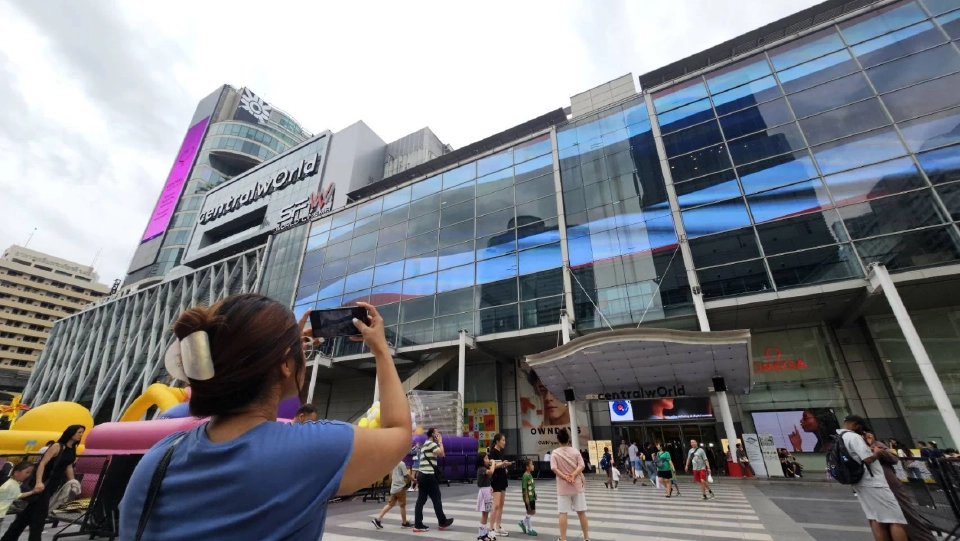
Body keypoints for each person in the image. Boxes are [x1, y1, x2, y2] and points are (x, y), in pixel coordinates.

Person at [118, 297, 412, 540]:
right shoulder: (315, 449)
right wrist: (381, 350)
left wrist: (284, 352)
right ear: (286, 364)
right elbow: (399, 431)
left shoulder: (158, 457)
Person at [2, 425, 84, 541]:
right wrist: (39, 482)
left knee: (27, 515)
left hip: (53, 485)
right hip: (44, 483)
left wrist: (73, 482)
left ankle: (8, 538)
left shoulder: (72, 449)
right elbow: (42, 463)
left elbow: (68, 466)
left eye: (82, 433)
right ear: (71, 433)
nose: (81, 435)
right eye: (79, 432)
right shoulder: (57, 446)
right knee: (40, 516)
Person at [839, 415, 908, 541]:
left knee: (875, 518)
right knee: (896, 520)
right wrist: (877, 452)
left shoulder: (839, 437)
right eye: (861, 428)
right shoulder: (853, 437)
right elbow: (868, 459)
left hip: (860, 482)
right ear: (855, 424)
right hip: (874, 482)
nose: (862, 432)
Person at [864, 431, 935, 541]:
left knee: (882, 517)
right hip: (882, 485)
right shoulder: (865, 445)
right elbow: (893, 459)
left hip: (876, 486)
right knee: (896, 518)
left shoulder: (867, 445)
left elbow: (893, 459)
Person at [550, 429, 589, 541]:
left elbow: (554, 468)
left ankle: (563, 538)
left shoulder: (555, 453)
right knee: (581, 512)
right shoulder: (575, 451)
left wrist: (565, 477)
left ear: (558, 439)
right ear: (568, 439)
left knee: (563, 513)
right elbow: (582, 466)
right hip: (576, 486)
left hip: (563, 487)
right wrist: (573, 475)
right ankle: (586, 538)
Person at [413, 428, 454, 533]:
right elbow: (442, 454)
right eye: (437, 433)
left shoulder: (426, 444)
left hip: (422, 475)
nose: (439, 434)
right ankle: (442, 522)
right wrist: (440, 442)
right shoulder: (431, 444)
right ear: (433, 434)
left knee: (421, 500)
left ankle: (418, 524)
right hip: (428, 475)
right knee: (436, 499)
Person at [372, 460, 413, 530]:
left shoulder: (393, 462)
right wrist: (414, 480)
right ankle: (404, 523)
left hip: (394, 487)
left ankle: (378, 519)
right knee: (402, 506)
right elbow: (406, 474)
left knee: (390, 504)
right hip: (400, 487)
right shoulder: (401, 463)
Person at [487, 433, 512, 537]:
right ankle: (491, 528)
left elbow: (500, 465)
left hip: (502, 480)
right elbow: (491, 466)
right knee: (496, 505)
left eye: (504, 440)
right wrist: (503, 464)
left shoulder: (500, 453)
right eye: (502, 440)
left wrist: (505, 468)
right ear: (497, 441)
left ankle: (498, 526)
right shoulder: (492, 453)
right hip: (495, 480)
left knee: (501, 505)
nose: (504, 442)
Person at [475, 452, 495, 541]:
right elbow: (491, 471)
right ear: (481, 460)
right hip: (484, 493)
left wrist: (490, 487)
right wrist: (493, 463)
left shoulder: (484, 468)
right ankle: (481, 535)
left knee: (486, 514)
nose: (488, 460)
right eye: (486, 458)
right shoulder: (481, 469)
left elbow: (487, 479)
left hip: (487, 491)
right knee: (484, 514)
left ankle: (484, 534)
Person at [519, 459, 537, 536]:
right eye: (531, 464)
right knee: (529, 512)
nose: (533, 466)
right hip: (528, 497)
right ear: (527, 467)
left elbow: (531, 486)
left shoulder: (530, 475)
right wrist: (526, 498)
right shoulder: (525, 476)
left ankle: (522, 522)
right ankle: (530, 529)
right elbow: (525, 488)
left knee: (533, 512)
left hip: (532, 497)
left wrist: (534, 494)